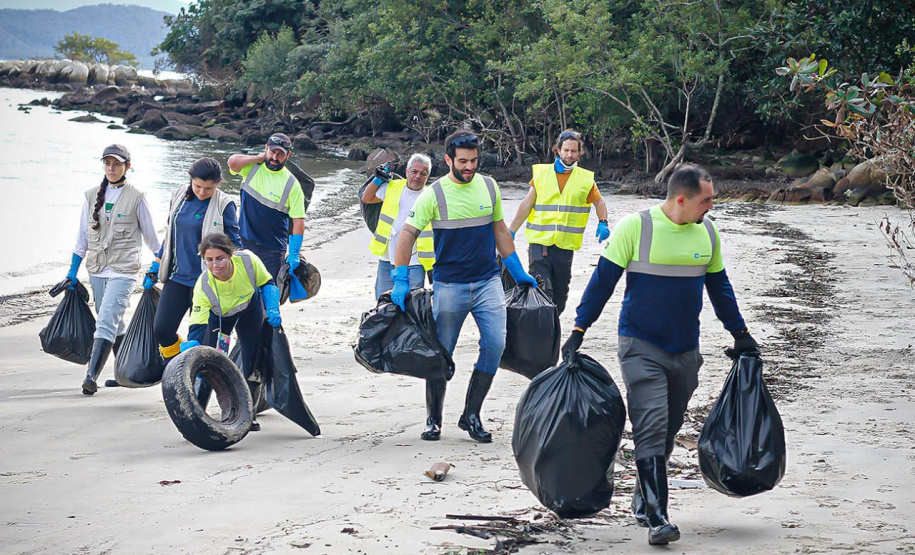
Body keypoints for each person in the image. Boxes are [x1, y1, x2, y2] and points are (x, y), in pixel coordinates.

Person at [560, 164, 760, 546]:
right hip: (640, 346)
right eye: (706, 201)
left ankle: (643, 494)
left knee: (667, 429)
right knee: (650, 426)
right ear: (681, 199)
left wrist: (742, 335)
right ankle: (658, 516)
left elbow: (721, 289)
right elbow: (602, 282)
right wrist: (578, 331)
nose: (711, 207)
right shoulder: (636, 227)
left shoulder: (708, 233)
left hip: (685, 349)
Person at [392, 130, 538, 443]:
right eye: (463, 161)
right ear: (448, 160)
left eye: (473, 160)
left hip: (488, 282)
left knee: (495, 345)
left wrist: (516, 269)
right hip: (449, 286)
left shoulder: (489, 186)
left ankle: (471, 415)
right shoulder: (435, 194)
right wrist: (401, 278)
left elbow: (500, 230)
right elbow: (406, 235)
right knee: (441, 354)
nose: (469, 166)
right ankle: (433, 419)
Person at [64, 144, 161, 395]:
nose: (111, 168)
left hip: (124, 271)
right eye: (107, 163)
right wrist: (71, 273)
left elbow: (153, 240)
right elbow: (81, 240)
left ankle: (90, 377)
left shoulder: (137, 197)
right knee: (114, 323)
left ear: (127, 166)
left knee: (106, 320)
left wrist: (156, 268)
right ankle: (125, 372)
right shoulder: (90, 195)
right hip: (96, 269)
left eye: (117, 164)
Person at [144, 157, 242, 364]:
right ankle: (178, 366)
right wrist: (157, 262)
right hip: (177, 277)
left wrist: (238, 276)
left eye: (208, 188)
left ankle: (195, 379)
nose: (202, 192)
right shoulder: (178, 195)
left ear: (218, 184)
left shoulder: (224, 205)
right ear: (190, 179)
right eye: (197, 186)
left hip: (207, 284)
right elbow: (170, 233)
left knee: (201, 341)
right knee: (161, 330)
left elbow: (235, 244)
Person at [180, 233, 281, 432]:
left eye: (220, 258)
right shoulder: (204, 285)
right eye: (208, 260)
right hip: (220, 317)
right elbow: (198, 323)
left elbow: (267, 283)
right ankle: (199, 413)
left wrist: (272, 308)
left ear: (230, 255)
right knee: (208, 361)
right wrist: (193, 344)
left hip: (248, 309)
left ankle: (248, 413)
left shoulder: (248, 260)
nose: (215, 265)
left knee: (252, 359)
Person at [507, 129, 609, 314]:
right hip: (539, 243)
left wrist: (603, 222)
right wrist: (511, 231)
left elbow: (599, 202)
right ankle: (539, 335)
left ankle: (551, 330)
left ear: (580, 153)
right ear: (558, 150)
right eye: (566, 150)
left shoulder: (585, 179)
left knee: (560, 299)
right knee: (542, 290)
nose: (569, 155)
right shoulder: (541, 174)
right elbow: (526, 204)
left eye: (573, 151)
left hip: (564, 246)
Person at [227, 133, 306, 281]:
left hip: (273, 250)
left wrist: (294, 253)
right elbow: (232, 162)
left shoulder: (292, 184)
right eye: (272, 152)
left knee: (270, 294)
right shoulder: (252, 168)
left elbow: (298, 221)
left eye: (280, 154)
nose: (275, 158)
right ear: (266, 149)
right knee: (242, 292)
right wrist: (259, 158)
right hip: (243, 241)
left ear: (288, 155)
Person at [362, 153, 435, 299]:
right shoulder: (393, 187)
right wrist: (378, 180)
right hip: (387, 257)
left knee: (411, 305)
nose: (418, 176)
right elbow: (367, 199)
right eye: (414, 172)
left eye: (423, 174)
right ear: (407, 172)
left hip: (415, 260)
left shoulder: (431, 196)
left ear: (427, 177)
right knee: (383, 302)